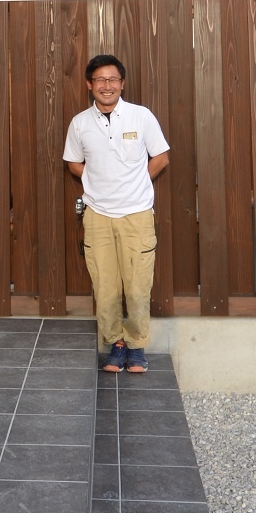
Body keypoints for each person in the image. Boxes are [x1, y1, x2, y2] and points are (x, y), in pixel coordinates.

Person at [63, 54, 170, 374]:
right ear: (89, 85)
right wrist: (96, 183)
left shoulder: (141, 117)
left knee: (137, 287)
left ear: (122, 84)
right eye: (100, 80)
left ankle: (136, 346)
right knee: (106, 288)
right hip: (97, 215)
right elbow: (73, 163)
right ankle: (115, 344)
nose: (106, 86)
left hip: (137, 215)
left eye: (113, 80)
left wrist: (135, 182)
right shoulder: (80, 122)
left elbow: (161, 157)